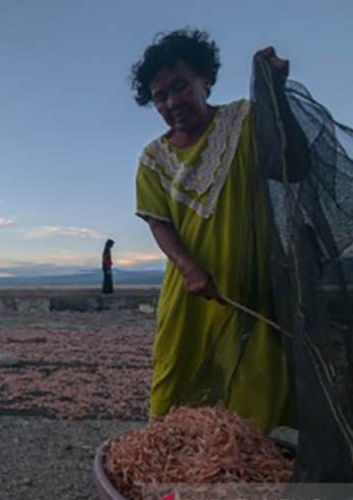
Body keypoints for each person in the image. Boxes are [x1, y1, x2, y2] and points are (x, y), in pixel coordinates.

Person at [131, 29, 297, 432]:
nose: (172, 102)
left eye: (181, 86)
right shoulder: (153, 159)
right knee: (175, 381)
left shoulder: (245, 121)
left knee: (257, 392)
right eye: (160, 97)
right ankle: (170, 486)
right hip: (190, 294)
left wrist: (276, 95)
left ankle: (248, 485)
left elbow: (294, 164)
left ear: (206, 78)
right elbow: (159, 222)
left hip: (252, 291)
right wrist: (188, 268)